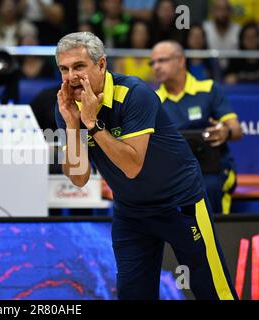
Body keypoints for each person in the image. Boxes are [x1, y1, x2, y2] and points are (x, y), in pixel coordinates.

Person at [55, 31, 238, 300]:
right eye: (64, 69)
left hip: (180, 204)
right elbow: (79, 177)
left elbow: (131, 166)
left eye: (79, 66)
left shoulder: (134, 94)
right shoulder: (67, 105)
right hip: (131, 213)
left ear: (101, 64)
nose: (71, 77)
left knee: (212, 290)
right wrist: (72, 125)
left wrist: (92, 124)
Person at [151, 40, 243, 214]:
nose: (156, 66)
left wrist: (226, 132)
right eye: (153, 62)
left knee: (210, 187)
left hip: (213, 170)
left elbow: (237, 130)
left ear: (180, 60)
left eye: (162, 60)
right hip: (174, 172)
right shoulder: (153, 100)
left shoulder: (208, 89)